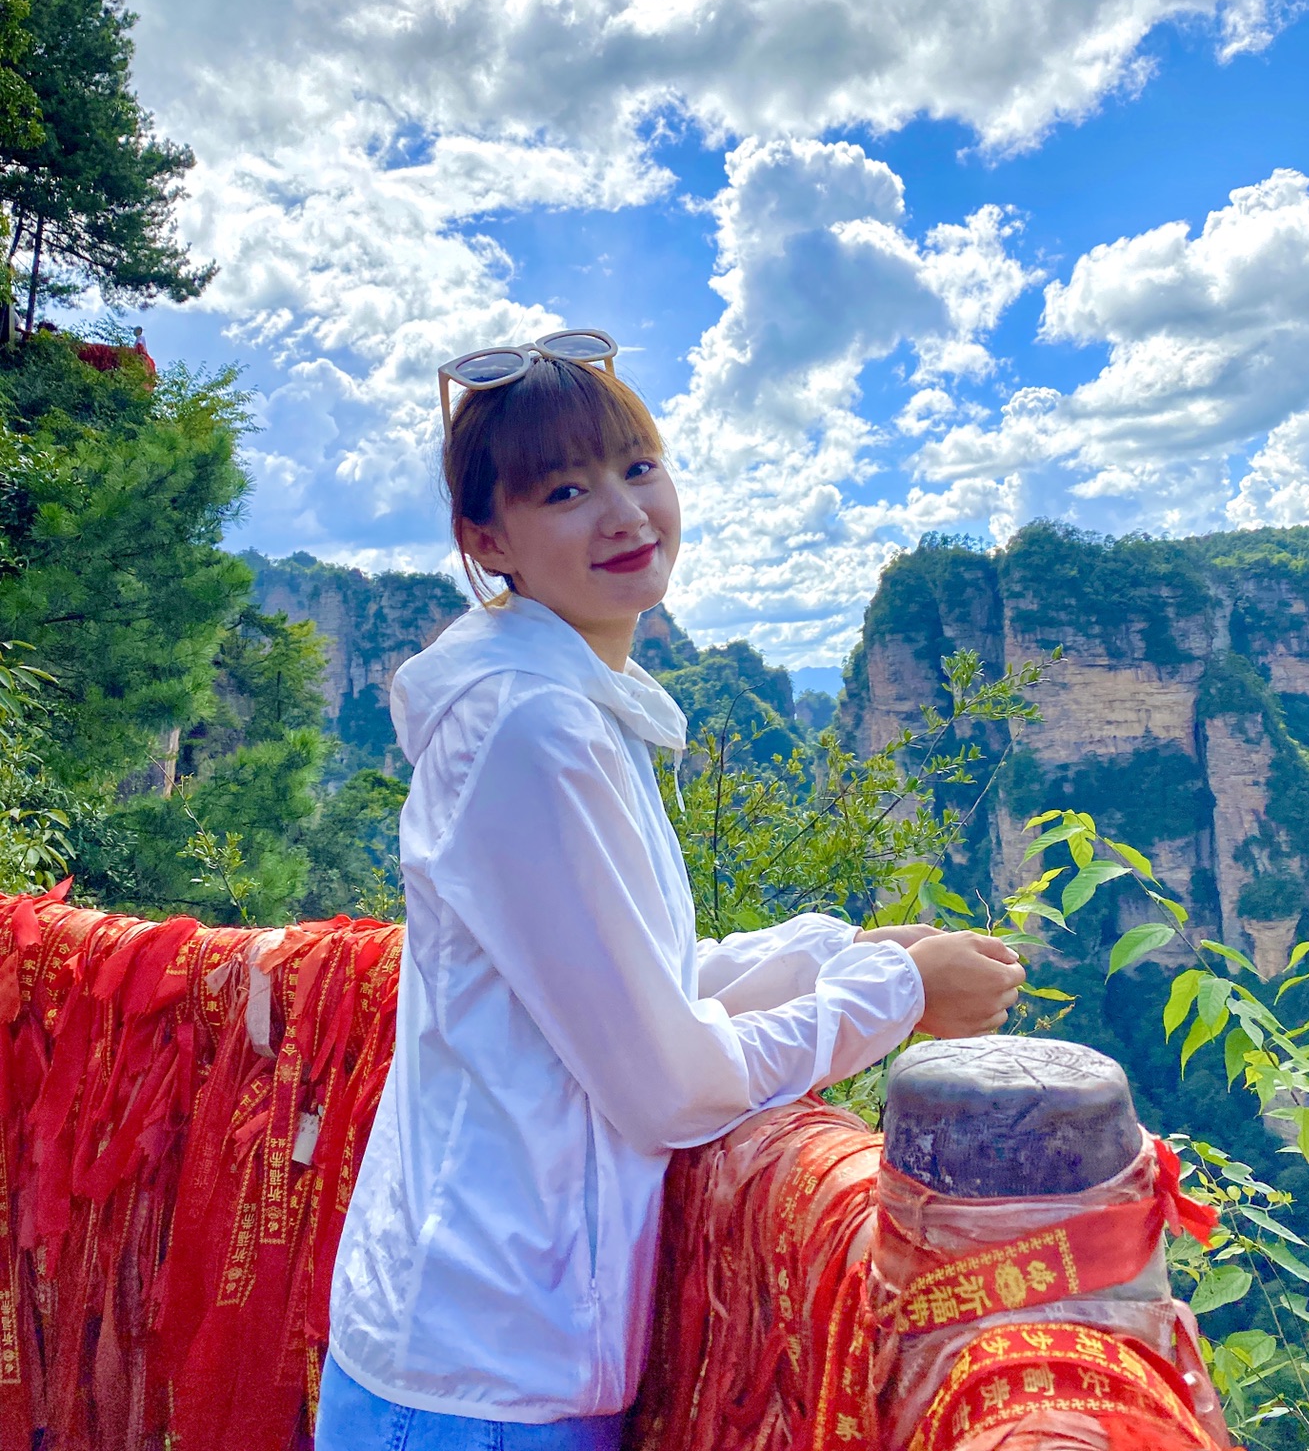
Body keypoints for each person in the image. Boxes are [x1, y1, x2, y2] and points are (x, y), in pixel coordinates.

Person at [318, 330, 1026, 1451]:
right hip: (485, 1377)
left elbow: (621, 982)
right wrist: (895, 994)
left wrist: (839, 950)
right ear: (487, 540)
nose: (624, 513)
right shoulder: (531, 728)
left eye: (638, 467)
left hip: (486, 1344)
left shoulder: (564, 701)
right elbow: (668, 1086)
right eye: (566, 490)